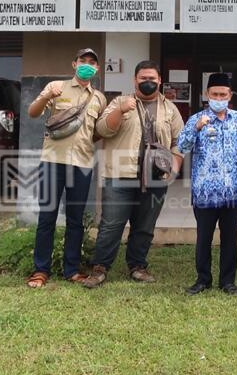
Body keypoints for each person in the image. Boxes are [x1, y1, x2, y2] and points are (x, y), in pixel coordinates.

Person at [81, 60, 184, 289]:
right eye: (143, 79)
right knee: (111, 224)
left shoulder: (170, 109)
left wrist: (174, 169)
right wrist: (119, 110)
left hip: (156, 177)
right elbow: (101, 130)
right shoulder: (119, 101)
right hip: (120, 175)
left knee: (145, 225)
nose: (148, 82)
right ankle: (100, 268)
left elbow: (180, 141)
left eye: (152, 79)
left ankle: (137, 266)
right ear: (134, 80)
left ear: (159, 81)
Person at [25, 48, 106, 289]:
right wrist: (44, 96)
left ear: (97, 69)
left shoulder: (99, 98)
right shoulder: (56, 87)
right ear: (74, 64)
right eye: (83, 61)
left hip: (81, 164)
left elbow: (99, 131)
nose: (87, 65)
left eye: (92, 63)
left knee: (75, 219)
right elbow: (32, 113)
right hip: (52, 161)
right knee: (47, 217)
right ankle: (41, 270)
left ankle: (71, 269)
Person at [177, 72, 237, 296]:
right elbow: (182, 146)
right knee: (204, 238)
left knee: (230, 239)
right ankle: (203, 279)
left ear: (230, 95)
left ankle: (228, 281)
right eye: (214, 94)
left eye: (223, 94)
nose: (219, 97)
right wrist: (196, 128)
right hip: (204, 191)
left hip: (232, 191)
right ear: (206, 94)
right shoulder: (196, 119)